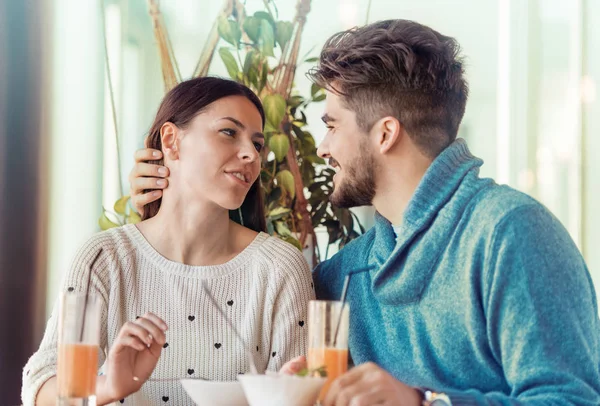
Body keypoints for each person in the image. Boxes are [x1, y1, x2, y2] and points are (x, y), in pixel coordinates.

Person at [129, 20, 600, 406]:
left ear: (385, 133)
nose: (326, 146)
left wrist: (425, 403)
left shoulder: (511, 234)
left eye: (332, 125)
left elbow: (571, 399)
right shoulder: (343, 277)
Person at [22, 77, 314, 406]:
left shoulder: (280, 268)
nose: (250, 154)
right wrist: (109, 387)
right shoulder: (103, 259)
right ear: (172, 141)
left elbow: (298, 392)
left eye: (258, 145)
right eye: (229, 132)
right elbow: (44, 386)